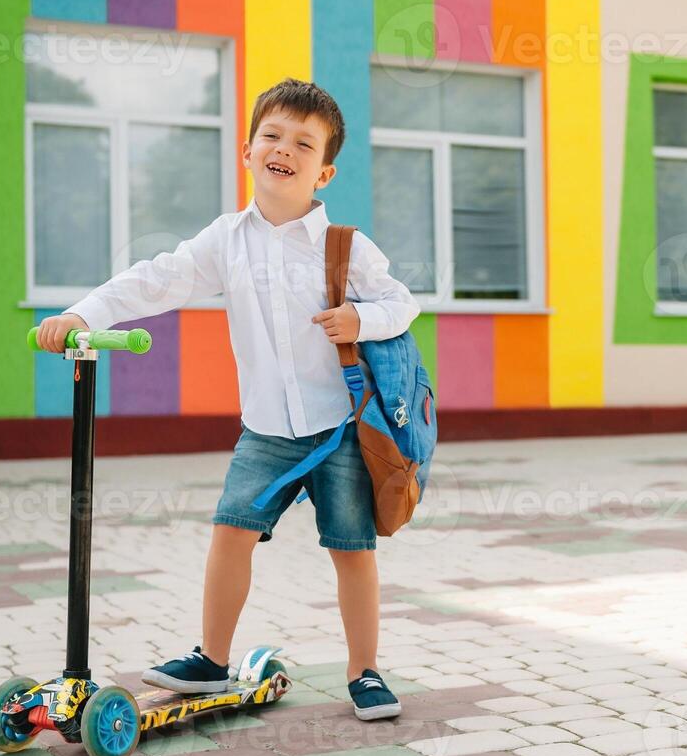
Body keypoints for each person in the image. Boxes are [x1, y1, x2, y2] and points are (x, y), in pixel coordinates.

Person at [35, 78, 419, 721]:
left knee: (351, 548)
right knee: (230, 533)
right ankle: (211, 659)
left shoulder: (343, 247)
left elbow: (401, 303)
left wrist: (360, 319)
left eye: (304, 143)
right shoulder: (226, 241)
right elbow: (156, 279)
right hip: (266, 430)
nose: (284, 149)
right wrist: (82, 312)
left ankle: (365, 672)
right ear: (247, 151)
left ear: (323, 171)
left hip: (340, 429)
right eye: (272, 135)